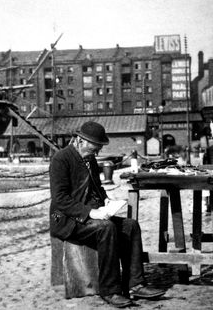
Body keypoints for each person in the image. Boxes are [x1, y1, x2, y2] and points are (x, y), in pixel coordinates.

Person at [49, 121, 164, 308]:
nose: (96, 154)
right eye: (94, 149)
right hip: (67, 219)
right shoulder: (60, 159)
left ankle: (135, 284)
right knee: (106, 228)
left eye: (98, 150)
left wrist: (106, 201)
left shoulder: (90, 159)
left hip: (89, 215)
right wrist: (90, 212)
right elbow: (60, 199)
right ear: (79, 140)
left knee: (130, 225)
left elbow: (97, 187)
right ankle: (110, 290)